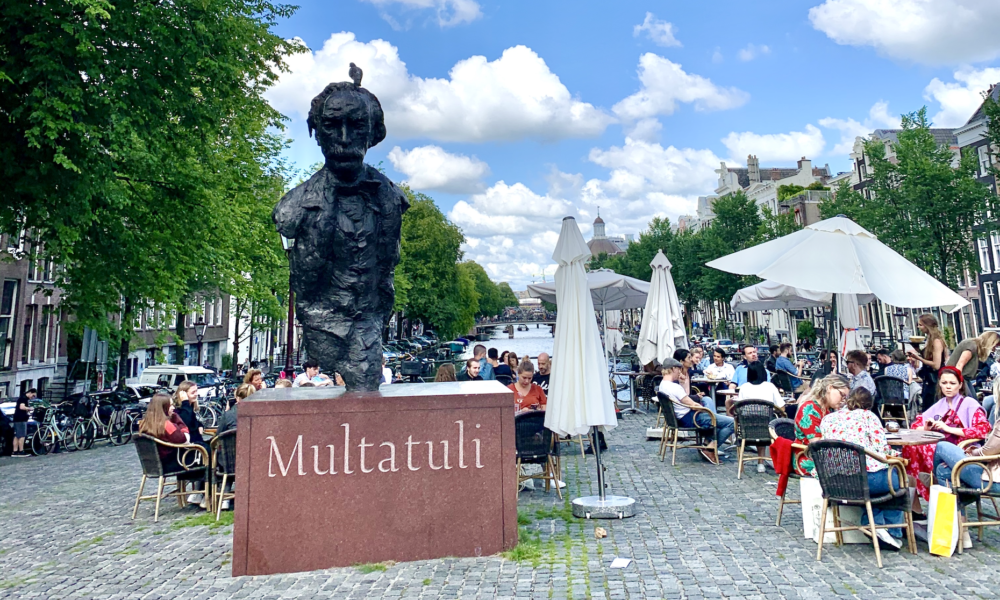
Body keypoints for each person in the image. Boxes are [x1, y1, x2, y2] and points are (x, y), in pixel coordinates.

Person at [821, 387, 904, 549]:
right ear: (869, 405)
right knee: (896, 476)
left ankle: (877, 524)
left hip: (834, 481)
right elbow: (881, 449)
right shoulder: (868, 417)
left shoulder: (828, 419)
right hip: (864, 480)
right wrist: (897, 455)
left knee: (881, 478)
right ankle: (888, 530)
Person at [901, 366, 992, 506]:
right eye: (944, 383)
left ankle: (928, 482)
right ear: (940, 385)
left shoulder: (969, 404)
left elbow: (982, 430)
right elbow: (915, 426)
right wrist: (926, 428)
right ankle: (916, 506)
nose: (948, 387)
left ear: (960, 385)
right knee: (910, 449)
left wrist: (948, 429)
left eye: (952, 383)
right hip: (940, 452)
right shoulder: (939, 405)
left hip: (963, 452)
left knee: (933, 450)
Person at [659, 358, 735, 464]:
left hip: (679, 418)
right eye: (678, 370)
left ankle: (709, 440)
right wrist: (704, 408)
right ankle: (710, 448)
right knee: (732, 422)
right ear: (673, 369)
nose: (679, 372)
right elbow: (693, 405)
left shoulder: (662, 385)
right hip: (691, 418)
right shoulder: (674, 387)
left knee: (710, 407)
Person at [138, 392, 206, 504]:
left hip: (154, 464)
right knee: (206, 451)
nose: (173, 408)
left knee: (203, 448)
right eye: (171, 405)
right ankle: (204, 494)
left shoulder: (145, 423)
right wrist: (178, 419)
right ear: (164, 408)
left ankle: (198, 493)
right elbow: (184, 439)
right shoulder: (166, 424)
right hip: (172, 463)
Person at [793, 375, 849, 474]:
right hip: (808, 459)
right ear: (830, 388)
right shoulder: (809, 409)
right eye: (842, 395)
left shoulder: (826, 410)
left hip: (823, 457)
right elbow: (817, 443)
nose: (843, 400)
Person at [735, 362, 785, 472]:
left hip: (747, 428)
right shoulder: (770, 386)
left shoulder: (743, 388)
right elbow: (782, 407)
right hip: (767, 428)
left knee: (755, 419)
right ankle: (763, 462)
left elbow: (739, 408)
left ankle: (757, 463)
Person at [173, 381, 208, 507]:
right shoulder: (180, 410)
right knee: (211, 455)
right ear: (183, 394)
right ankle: (205, 492)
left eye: (196, 391)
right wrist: (185, 403)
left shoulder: (189, 409)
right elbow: (186, 423)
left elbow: (194, 423)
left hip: (195, 448)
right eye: (193, 392)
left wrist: (200, 425)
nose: (196, 394)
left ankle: (200, 491)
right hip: (187, 454)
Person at [907, 313, 946, 411]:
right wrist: (918, 350)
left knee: (931, 405)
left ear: (928, 325)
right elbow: (929, 357)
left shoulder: (936, 341)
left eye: (920, 325)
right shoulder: (929, 339)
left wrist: (918, 358)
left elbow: (936, 365)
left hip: (935, 380)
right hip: (928, 379)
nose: (918, 327)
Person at [947, 331, 1000, 397]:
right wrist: (958, 384)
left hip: (965, 379)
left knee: (974, 402)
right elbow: (959, 366)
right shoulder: (972, 346)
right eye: (994, 346)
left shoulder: (976, 348)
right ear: (990, 342)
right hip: (958, 378)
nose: (994, 349)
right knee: (970, 401)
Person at [12, 388, 35, 457]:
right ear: (30, 393)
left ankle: (15, 451)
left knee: (17, 436)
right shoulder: (23, 398)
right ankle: (21, 451)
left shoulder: (22, 398)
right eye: (33, 395)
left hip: (17, 419)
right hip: (21, 419)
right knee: (22, 435)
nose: (32, 397)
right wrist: (29, 408)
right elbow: (22, 407)